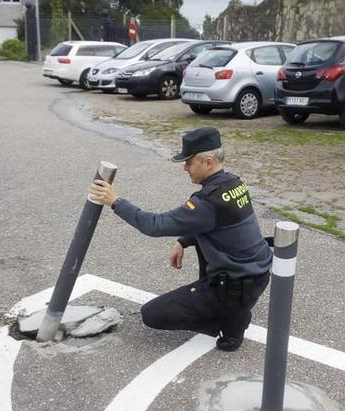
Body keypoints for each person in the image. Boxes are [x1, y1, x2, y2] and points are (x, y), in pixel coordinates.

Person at [89, 127, 272, 352]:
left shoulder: (207, 202)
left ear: (208, 162)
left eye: (189, 162)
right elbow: (213, 223)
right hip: (259, 275)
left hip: (236, 288)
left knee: (152, 314)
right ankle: (227, 305)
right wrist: (183, 241)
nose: (185, 167)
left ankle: (232, 320)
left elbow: (154, 225)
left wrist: (115, 202)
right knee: (203, 241)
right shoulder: (233, 183)